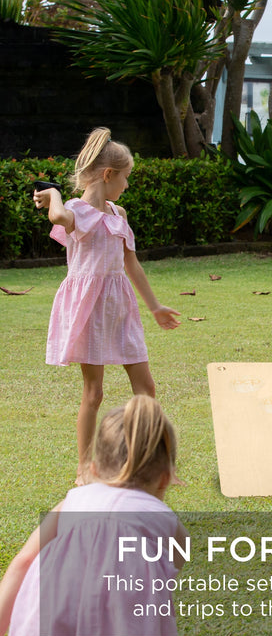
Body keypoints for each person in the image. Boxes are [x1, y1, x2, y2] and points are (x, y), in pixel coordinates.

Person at [33, 128, 181, 485]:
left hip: (120, 308)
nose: (127, 185)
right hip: (89, 310)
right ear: (108, 175)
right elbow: (57, 219)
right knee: (93, 392)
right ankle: (85, 469)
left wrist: (156, 307)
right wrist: (53, 193)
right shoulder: (75, 211)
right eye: (126, 177)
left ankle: (153, 461)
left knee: (146, 388)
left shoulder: (119, 213)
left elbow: (132, 264)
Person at [0, 395, 187, 636]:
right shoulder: (163, 519)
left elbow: (24, 561)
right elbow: (175, 563)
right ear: (165, 477)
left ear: (94, 468)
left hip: (52, 630)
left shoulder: (72, 502)